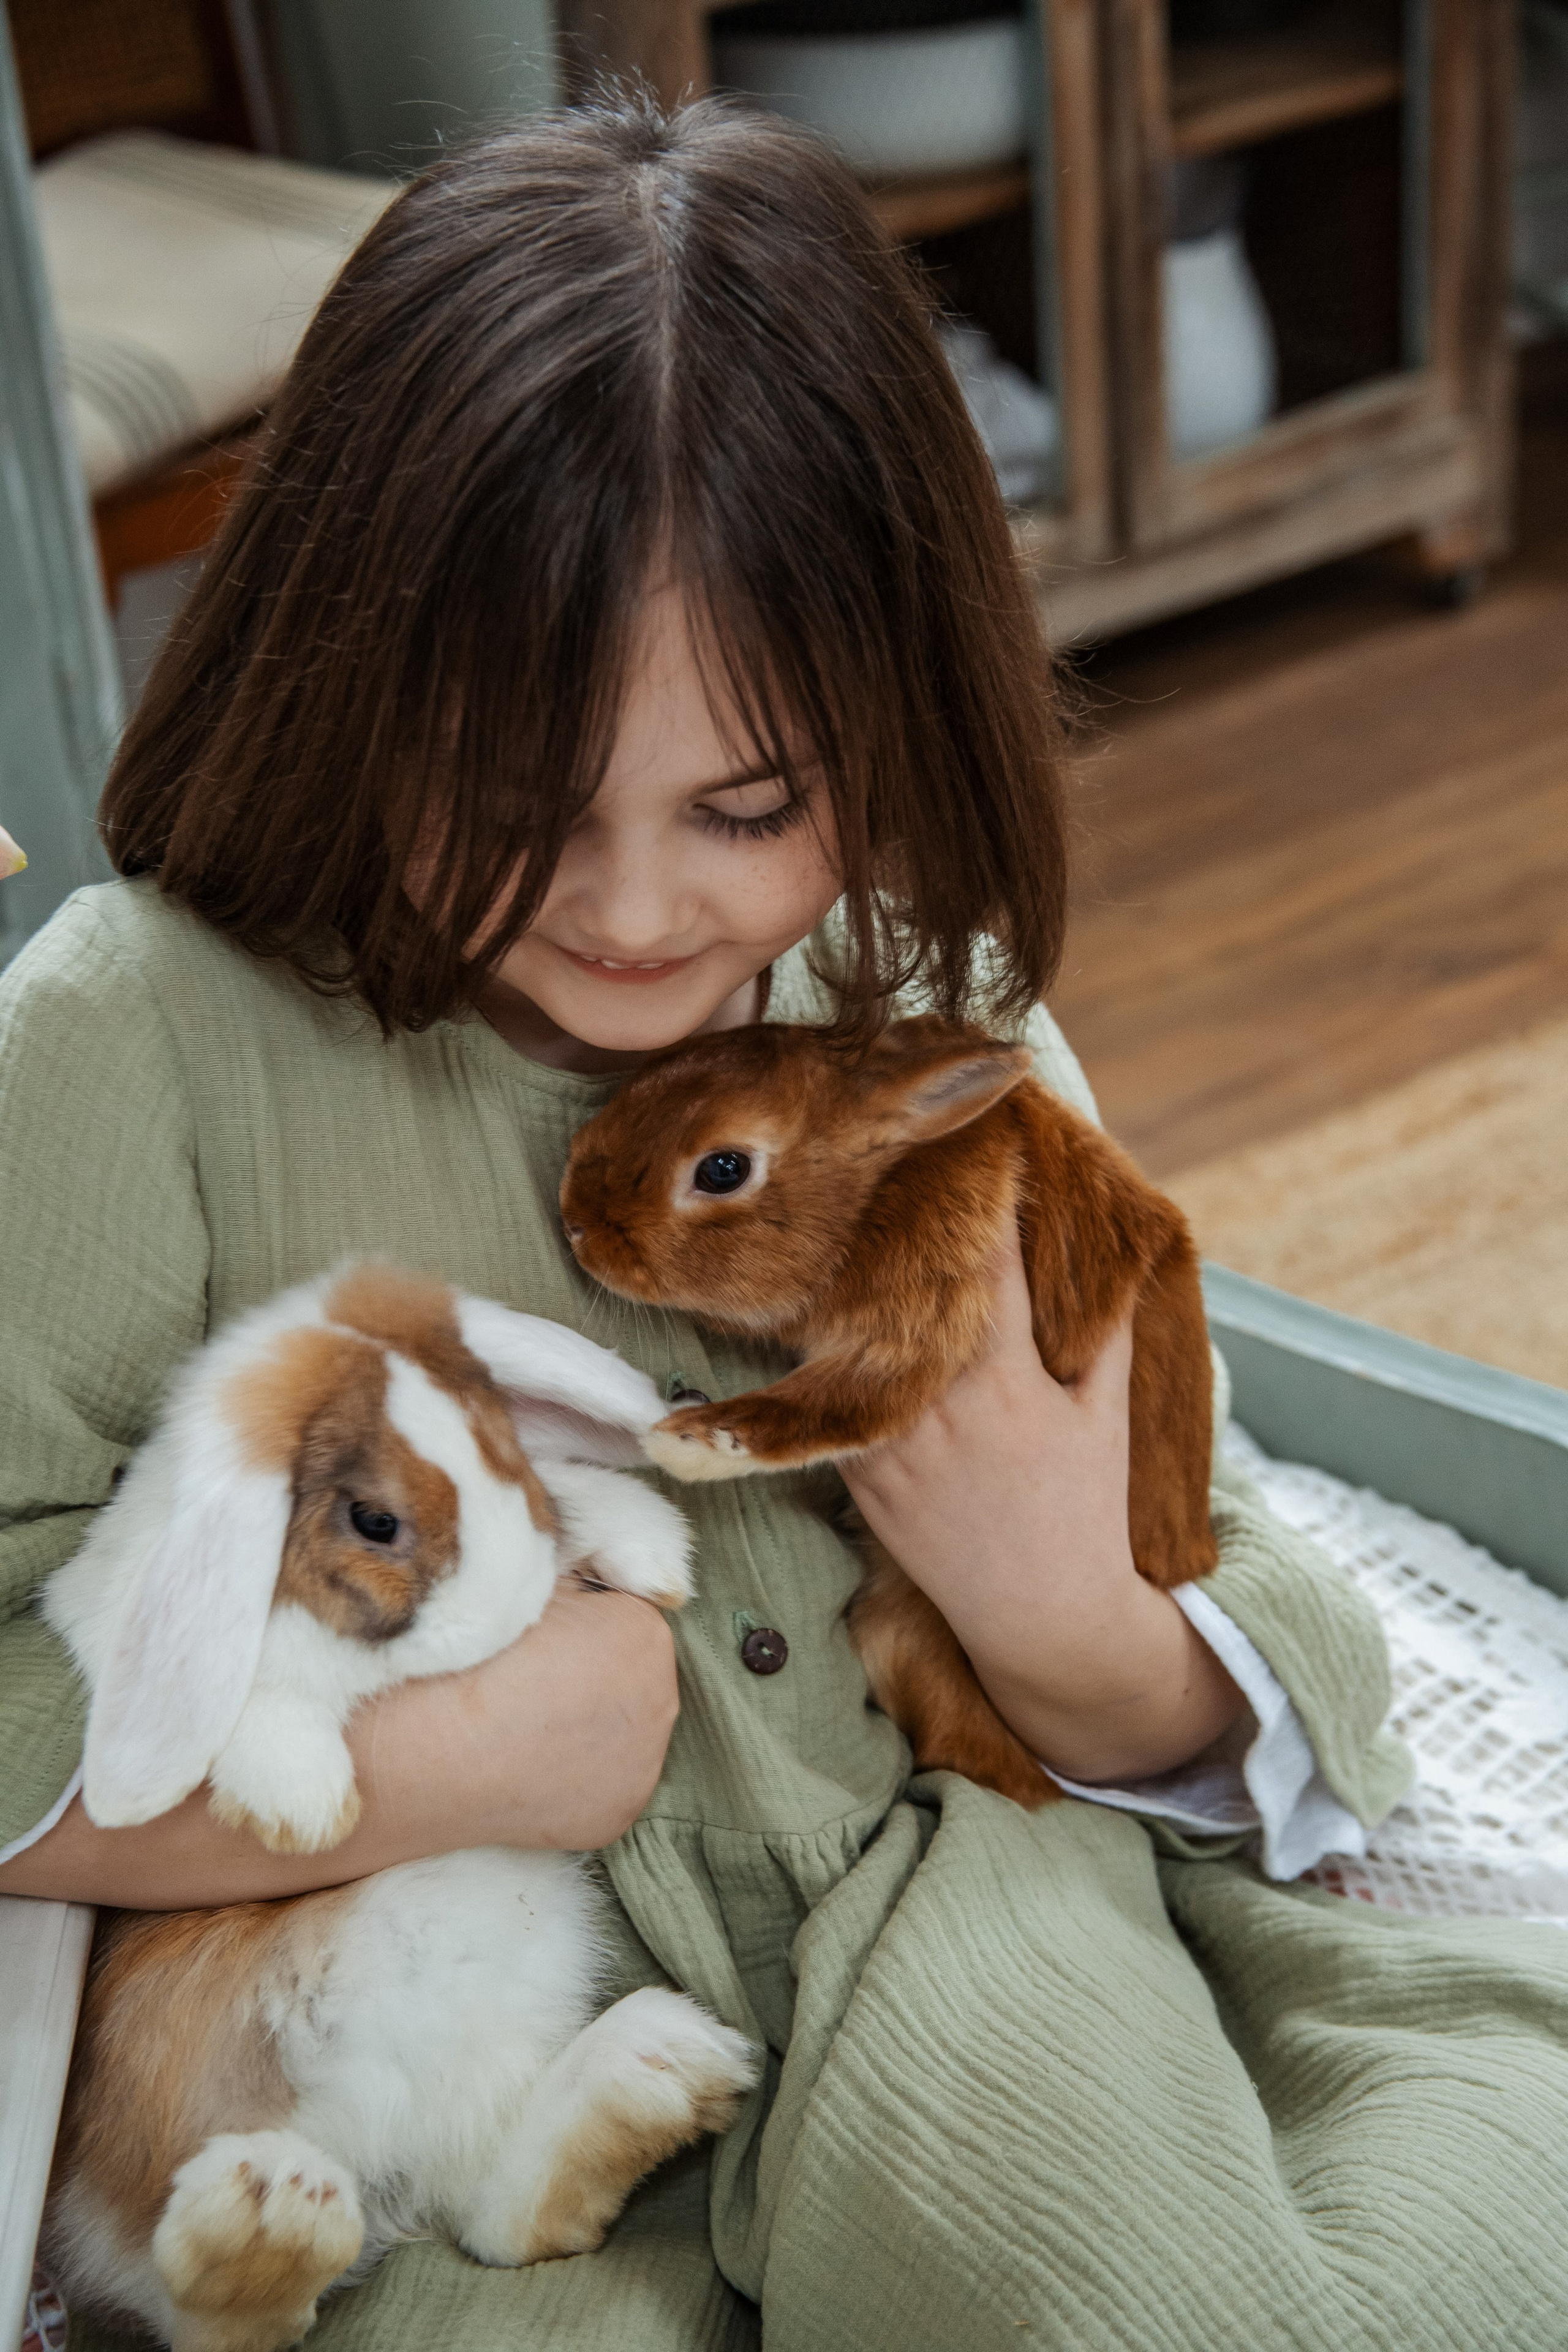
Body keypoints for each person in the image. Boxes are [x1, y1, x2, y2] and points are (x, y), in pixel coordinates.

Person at [2, 94, 1564, 2352]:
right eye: (520, 807)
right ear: (345, 678)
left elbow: (1259, 1624)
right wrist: (452, 1763)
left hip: (949, 1917)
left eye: (751, 805)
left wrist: (1058, 1605)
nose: (643, 913)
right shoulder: (136, 1047)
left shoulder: (919, 1015)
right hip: (417, 2052)